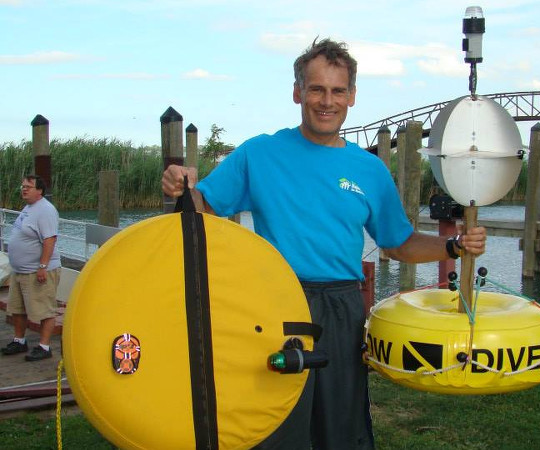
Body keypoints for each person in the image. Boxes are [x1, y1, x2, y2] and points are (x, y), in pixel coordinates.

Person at [162, 38, 486, 449]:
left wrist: (454, 246)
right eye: (316, 89)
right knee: (276, 427)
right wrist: (182, 184)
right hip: (274, 305)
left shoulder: (369, 169)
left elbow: (397, 243)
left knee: (342, 430)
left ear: (351, 96)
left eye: (337, 91)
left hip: (341, 308)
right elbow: (203, 209)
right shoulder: (259, 153)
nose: (325, 101)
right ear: (298, 92)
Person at [1, 175, 61, 362]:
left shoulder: (46, 211)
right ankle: (19, 341)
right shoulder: (29, 208)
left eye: (29, 186)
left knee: (45, 310)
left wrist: (42, 266)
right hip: (20, 271)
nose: (24, 189)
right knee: (17, 308)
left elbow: (50, 239)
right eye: (23, 186)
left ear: (40, 190)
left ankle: (44, 346)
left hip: (38, 271)